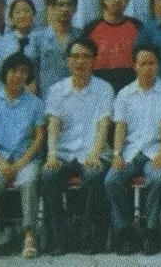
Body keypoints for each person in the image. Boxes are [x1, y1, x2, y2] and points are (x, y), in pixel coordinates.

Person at [40, 38, 115, 255]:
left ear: (94, 60)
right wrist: (51, 154)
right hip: (64, 153)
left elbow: (103, 123)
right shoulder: (57, 90)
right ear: (67, 60)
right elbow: (53, 124)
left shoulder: (104, 88)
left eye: (85, 57)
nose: (79, 62)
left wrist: (95, 153)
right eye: (74, 56)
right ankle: (59, 238)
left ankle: (89, 236)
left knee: (93, 175)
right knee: (48, 175)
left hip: (94, 152)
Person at [104, 44, 161, 255]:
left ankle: (151, 229)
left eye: (151, 63)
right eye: (142, 63)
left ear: (158, 65)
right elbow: (120, 127)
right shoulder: (125, 94)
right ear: (134, 65)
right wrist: (117, 154)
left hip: (156, 151)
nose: (147, 68)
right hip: (130, 152)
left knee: (160, 178)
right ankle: (124, 229)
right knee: (111, 180)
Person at [0, 52, 45, 260]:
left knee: (29, 181)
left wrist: (20, 163)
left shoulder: (35, 103)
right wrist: (0, 163)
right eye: (14, 70)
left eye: (23, 72)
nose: (18, 75)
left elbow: (38, 138)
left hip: (26, 159)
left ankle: (29, 234)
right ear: (5, 73)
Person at [83, 0, 143, 93]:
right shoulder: (90, 29)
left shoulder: (138, 27)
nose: (117, 0)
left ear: (128, 0)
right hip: (98, 89)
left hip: (131, 88)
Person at [28, 0, 81, 94]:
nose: (65, 9)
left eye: (69, 5)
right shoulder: (37, 38)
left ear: (75, 8)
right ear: (52, 8)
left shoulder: (81, 36)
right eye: (60, 4)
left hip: (74, 96)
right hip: (46, 97)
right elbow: (31, 72)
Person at [0, 0, 36, 95]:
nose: (22, 15)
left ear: (34, 15)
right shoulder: (2, 43)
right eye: (18, 12)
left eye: (26, 11)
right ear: (11, 18)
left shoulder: (39, 40)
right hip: (6, 94)